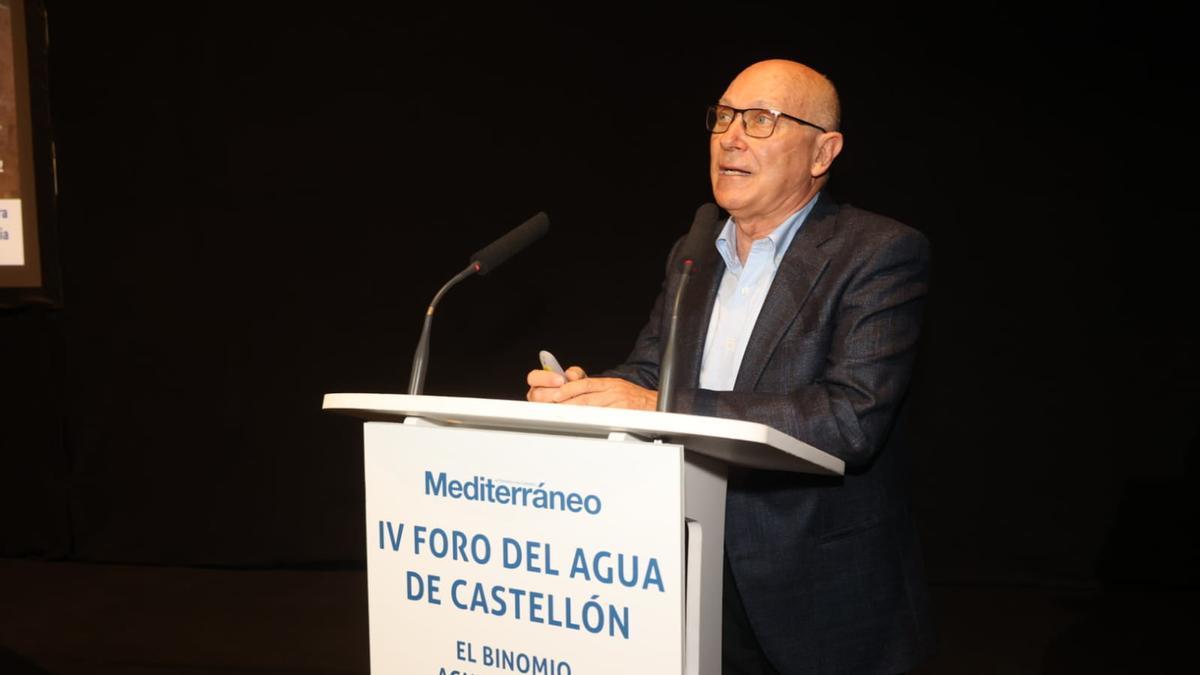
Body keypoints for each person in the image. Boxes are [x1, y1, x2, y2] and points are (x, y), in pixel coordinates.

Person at [527, 59, 933, 675]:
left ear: (823, 152)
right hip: (684, 566)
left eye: (762, 120)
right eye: (723, 117)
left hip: (815, 587)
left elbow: (850, 418)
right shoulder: (694, 251)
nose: (731, 136)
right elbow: (649, 372)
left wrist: (657, 406)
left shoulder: (878, 252)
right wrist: (590, 394)